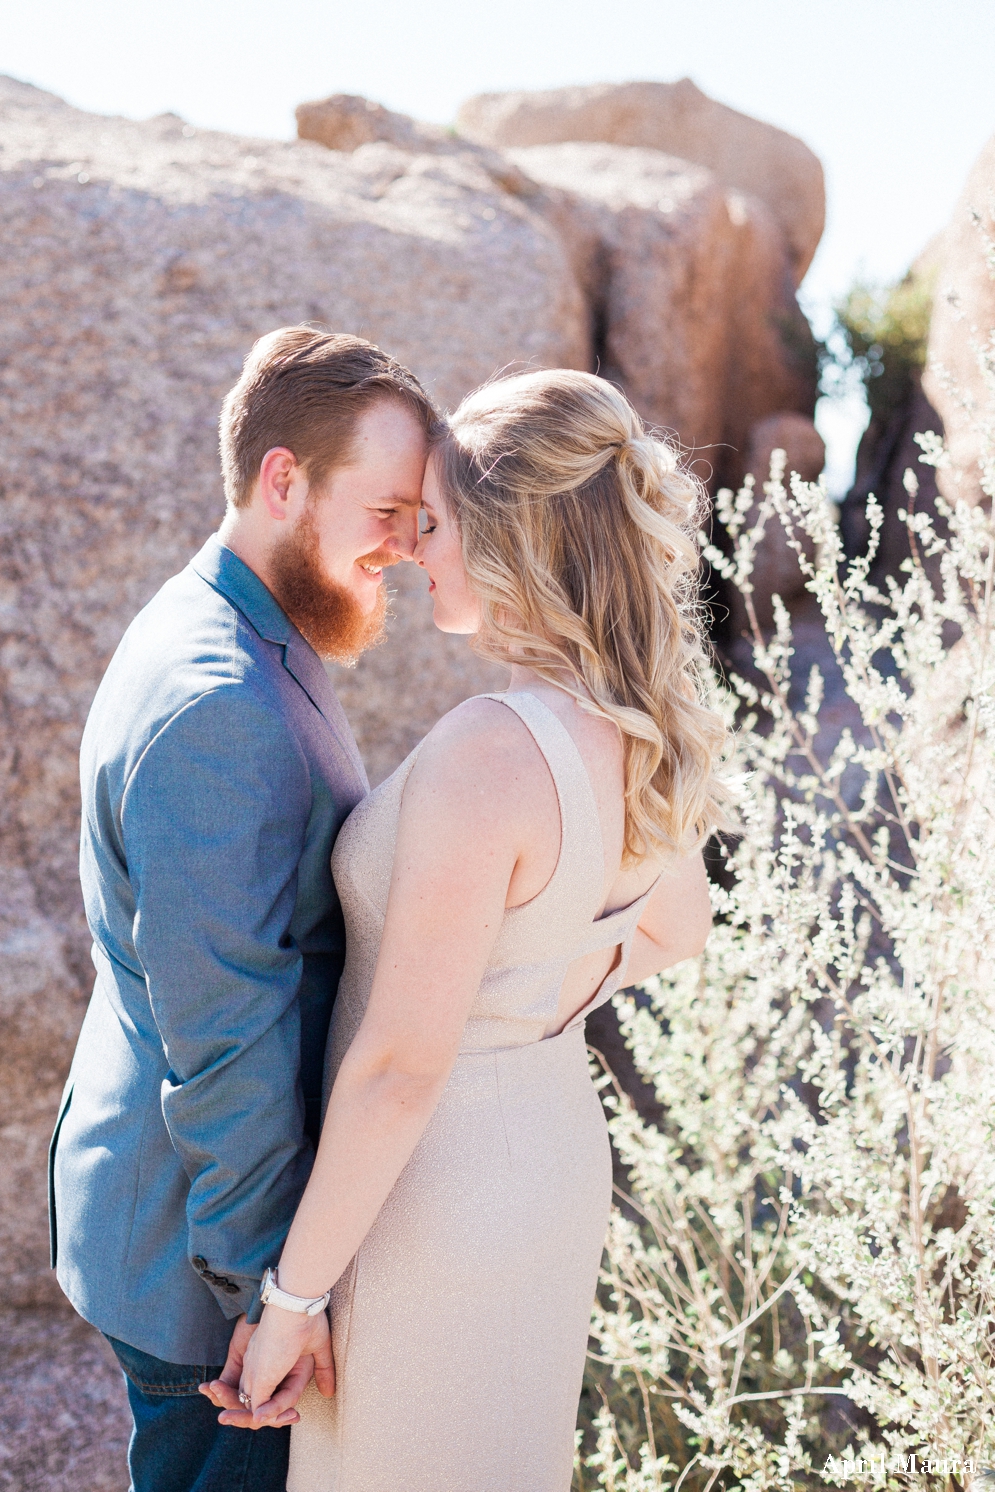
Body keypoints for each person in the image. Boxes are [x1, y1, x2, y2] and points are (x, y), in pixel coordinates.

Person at [215, 368, 729, 1491]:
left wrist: (292, 1300)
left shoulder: (487, 749)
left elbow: (400, 1067)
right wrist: (531, 995)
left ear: (511, 535)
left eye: (434, 522)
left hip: (432, 1194)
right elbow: (678, 924)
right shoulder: (635, 724)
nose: (413, 549)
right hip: (546, 1159)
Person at [49, 325, 437, 1492]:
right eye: (387, 509)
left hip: (179, 1211)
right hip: (198, 1262)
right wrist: (271, 1295)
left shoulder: (232, 622)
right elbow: (224, 1035)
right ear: (284, 480)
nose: (408, 548)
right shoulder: (217, 700)